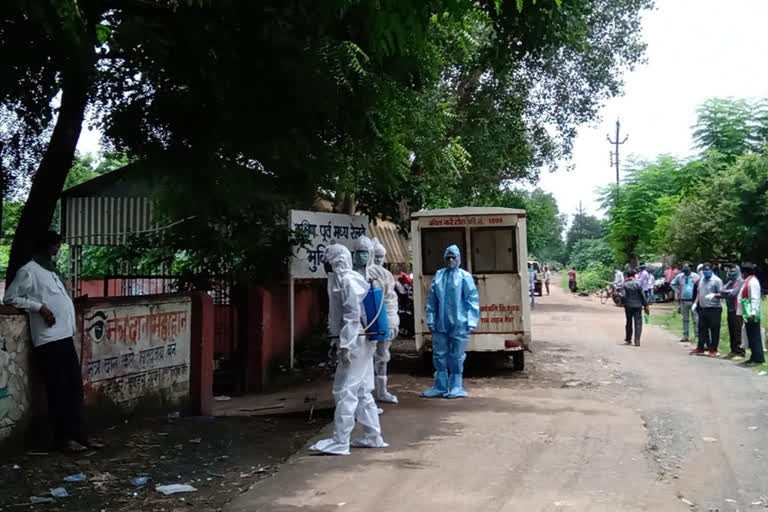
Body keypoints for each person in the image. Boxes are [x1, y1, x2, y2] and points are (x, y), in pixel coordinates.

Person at [4, 231, 102, 453]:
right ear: (44, 246)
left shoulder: (51, 271)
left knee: (74, 388)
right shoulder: (29, 271)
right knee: (58, 389)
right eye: (54, 245)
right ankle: (62, 439)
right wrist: (40, 308)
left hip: (64, 335)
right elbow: (10, 297)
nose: (57, 249)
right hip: (48, 338)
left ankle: (79, 435)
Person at [311, 244, 387, 455]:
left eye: (328, 258)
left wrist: (345, 345)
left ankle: (341, 440)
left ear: (336, 260)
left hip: (356, 342)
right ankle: (373, 436)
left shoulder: (348, 281)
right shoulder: (345, 280)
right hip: (360, 341)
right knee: (362, 391)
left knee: (345, 390)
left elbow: (352, 317)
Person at [422, 245, 479, 399]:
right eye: (448, 257)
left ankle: (456, 386)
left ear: (459, 259)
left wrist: (471, 321)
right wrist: (431, 319)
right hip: (440, 323)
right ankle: (439, 386)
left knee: (457, 355)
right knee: (439, 354)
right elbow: (432, 301)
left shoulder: (464, 277)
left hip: (459, 323)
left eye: (454, 257)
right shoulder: (439, 276)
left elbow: (472, 300)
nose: (451, 260)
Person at [369, 238, 400, 403]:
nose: (378, 260)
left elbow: (390, 300)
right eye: (376, 256)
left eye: (381, 256)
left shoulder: (385, 275)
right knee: (367, 359)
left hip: (382, 321)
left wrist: (392, 320)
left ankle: (380, 391)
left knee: (381, 356)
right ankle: (368, 394)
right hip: (367, 322)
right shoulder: (361, 274)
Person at [690, 263, 723, 356]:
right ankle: (700, 347)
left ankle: (713, 349)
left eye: (707, 270)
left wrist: (714, 295)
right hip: (703, 308)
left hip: (714, 309)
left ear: (711, 270)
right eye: (704, 271)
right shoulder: (701, 280)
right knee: (702, 329)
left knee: (714, 329)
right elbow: (699, 292)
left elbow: (722, 294)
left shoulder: (717, 280)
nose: (706, 272)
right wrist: (695, 303)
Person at [739, 263, 764, 366]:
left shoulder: (753, 282)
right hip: (747, 312)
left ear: (744, 272)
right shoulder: (747, 281)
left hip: (752, 313)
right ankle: (753, 356)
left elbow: (755, 298)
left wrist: (753, 313)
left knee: (755, 336)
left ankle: (758, 358)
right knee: (750, 335)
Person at [719, 264, 745, 360]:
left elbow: (734, 294)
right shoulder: (730, 282)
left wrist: (726, 293)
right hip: (730, 310)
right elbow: (721, 291)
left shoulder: (741, 282)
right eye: (730, 271)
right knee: (732, 331)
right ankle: (733, 351)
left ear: (738, 271)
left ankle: (740, 352)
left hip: (737, 310)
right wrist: (727, 292)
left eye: (733, 271)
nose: (731, 273)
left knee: (738, 331)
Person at [670, 262, 699, 343]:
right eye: (684, 267)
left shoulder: (695, 276)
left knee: (696, 319)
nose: (685, 269)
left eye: (686, 267)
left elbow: (700, 286)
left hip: (693, 301)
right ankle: (685, 336)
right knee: (685, 319)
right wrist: (678, 291)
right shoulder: (680, 276)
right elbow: (672, 284)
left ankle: (697, 336)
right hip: (683, 301)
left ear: (690, 268)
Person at [622, 270, 648, 346]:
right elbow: (643, 295)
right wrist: (645, 304)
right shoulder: (638, 283)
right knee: (638, 323)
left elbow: (623, 296)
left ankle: (628, 338)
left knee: (629, 322)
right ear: (634, 276)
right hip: (638, 305)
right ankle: (637, 340)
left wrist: (623, 302)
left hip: (628, 305)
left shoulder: (625, 284)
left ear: (627, 276)